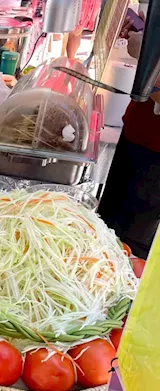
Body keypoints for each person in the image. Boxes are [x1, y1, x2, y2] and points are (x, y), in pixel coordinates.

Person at [97, 13, 160, 259]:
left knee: (127, 249)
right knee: (107, 227)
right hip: (136, 137)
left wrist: (146, 57)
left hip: (154, 160)